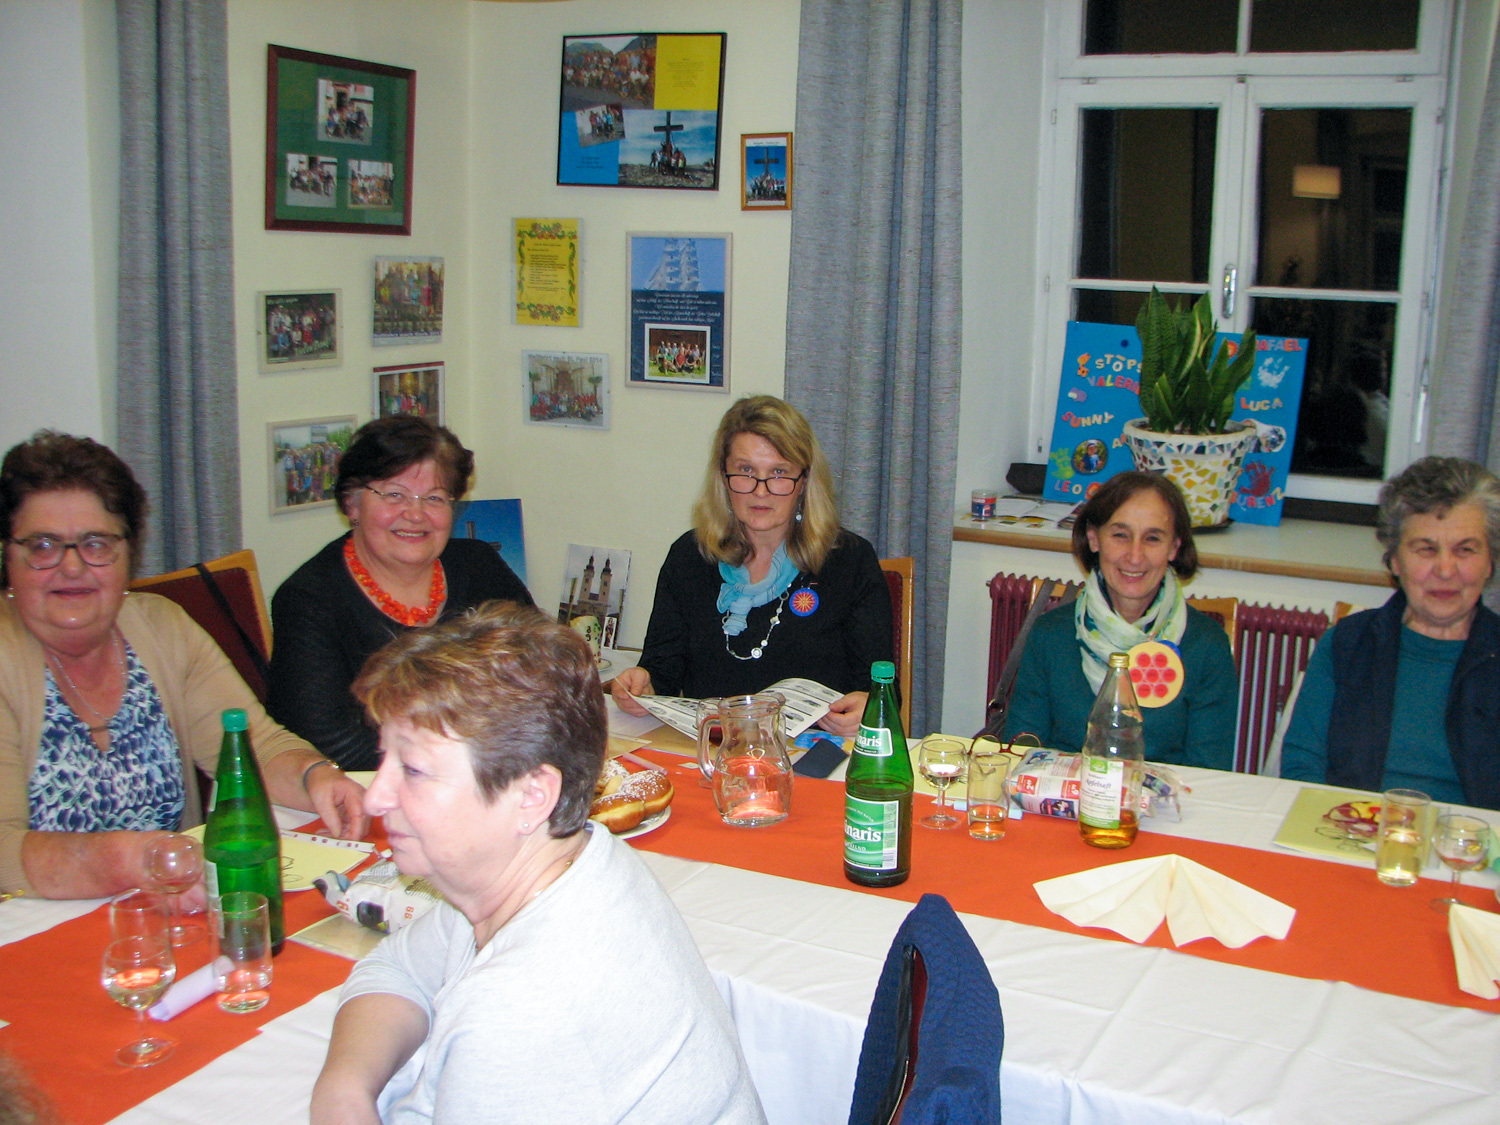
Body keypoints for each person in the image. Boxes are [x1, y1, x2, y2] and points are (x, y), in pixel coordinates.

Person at [310, 603, 766, 1125]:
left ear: (531, 796)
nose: (375, 798)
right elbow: (398, 967)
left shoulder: (521, 1010)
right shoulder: (568, 861)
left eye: (412, 770)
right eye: (384, 759)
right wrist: (344, 1091)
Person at [0, 432, 366, 900]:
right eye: (43, 546)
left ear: (128, 552)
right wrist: (130, 860)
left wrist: (315, 775)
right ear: (8, 555)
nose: (72, 567)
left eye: (96, 543)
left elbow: (253, 745)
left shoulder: (162, 627)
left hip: (173, 912)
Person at [610, 396, 892, 736]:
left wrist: (868, 705)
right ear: (723, 477)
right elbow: (661, 671)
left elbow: (880, 689)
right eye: (745, 471)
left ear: (804, 481)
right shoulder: (689, 557)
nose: (761, 491)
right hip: (711, 750)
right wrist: (643, 685)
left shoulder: (849, 560)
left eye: (779, 473)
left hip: (811, 751)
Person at [267, 417, 532, 772]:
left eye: (434, 498)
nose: (415, 514)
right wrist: (463, 762)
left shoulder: (479, 566)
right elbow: (330, 743)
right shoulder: (309, 600)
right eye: (394, 495)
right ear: (352, 504)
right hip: (371, 788)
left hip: (493, 774)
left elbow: (543, 671)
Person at [1281, 457, 1500, 807]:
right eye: (1426, 549)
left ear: (1489, 562)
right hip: (1351, 827)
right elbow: (1302, 763)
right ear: (1395, 560)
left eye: (1465, 550)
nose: (1445, 570)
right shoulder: (1348, 643)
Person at [1003, 471, 1238, 769]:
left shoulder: (1207, 646)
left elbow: (1210, 772)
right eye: (1120, 535)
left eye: (1153, 538)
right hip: (1064, 795)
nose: (1135, 556)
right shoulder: (1050, 636)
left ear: (1174, 547)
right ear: (1094, 539)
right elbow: (1022, 754)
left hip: (1164, 799)